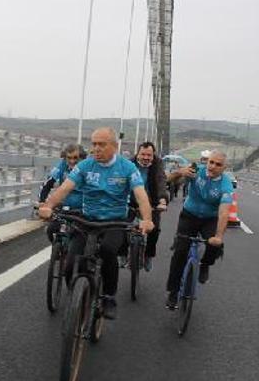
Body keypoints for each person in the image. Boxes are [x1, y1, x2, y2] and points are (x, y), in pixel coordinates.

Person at [38, 127, 154, 319]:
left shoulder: (127, 168)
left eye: (102, 144)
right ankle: (78, 297)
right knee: (70, 265)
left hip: (114, 221)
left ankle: (109, 296)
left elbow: (141, 196)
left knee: (108, 251)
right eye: (94, 144)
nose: (96, 149)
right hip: (86, 219)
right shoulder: (85, 165)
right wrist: (48, 205)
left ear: (115, 147)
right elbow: (65, 188)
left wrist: (147, 220)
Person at [164, 150, 233, 310]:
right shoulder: (196, 171)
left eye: (218, 164)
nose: (213, 166)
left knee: (215, 244)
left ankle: (205, 265)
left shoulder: (226, 184)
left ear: (224, 168)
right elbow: (169, 179)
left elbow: (224, 212)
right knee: (180, 252)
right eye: (211, 162)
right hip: (189, 215)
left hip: (210, 219)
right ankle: (173, 292)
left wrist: (218, 236)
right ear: (207, 162)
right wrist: (180, 172)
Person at [128, 141, 168, 272]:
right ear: (137, 154)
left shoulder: (157, 164)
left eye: (149, 155)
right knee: (121, 225)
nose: (146, 158)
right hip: (131, 201)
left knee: (155, 229)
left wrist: (162, 200)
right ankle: (123, 253)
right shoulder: (129, 164)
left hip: (152, 203)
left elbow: (161, 180)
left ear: (153, 155)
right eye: (143, 154)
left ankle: (149, 255)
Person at [38, 144, 85, 241]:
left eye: (75, 158)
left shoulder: (87, 166)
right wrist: (42, 201)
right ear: (64, 157)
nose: (72, 161)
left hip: (82, 208)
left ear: (81, 157)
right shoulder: (62, 165)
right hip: (65, 206)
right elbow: (48, 184)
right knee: (50, 229)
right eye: (69, 158)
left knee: (80, 235)